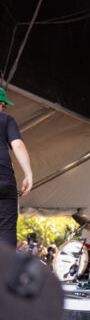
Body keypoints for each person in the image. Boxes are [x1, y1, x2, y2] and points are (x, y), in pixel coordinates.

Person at [0, 87, 32, 247]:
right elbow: (18, 145)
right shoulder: (7, 120)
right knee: (6, 229)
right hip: (5, 180)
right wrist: (28, 174)